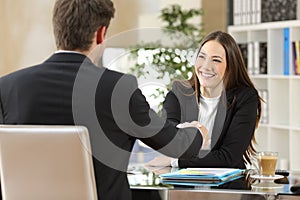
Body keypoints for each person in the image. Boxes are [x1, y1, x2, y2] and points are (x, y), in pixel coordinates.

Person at [0, 0, 204, 199]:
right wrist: (197, 132)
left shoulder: (8, 87)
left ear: (57, 29)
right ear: (100, 34)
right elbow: (176, 146)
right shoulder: (118, 88)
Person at [147, 30, 262, 169]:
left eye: (216, 60)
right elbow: (168, 140)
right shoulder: (179, 92)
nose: (206, 66)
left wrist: (175, 161)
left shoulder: (245, 98)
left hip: (227, 186)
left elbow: (229, 157)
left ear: (231, 67)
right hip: (184, 184)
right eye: (202, 57)